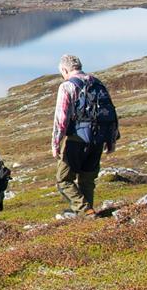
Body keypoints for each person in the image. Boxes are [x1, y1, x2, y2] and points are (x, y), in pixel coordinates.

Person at [51, 53, 119, 218]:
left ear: (65, 69)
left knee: (64, 179)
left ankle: (85, 211)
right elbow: (111, 112)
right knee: (87, 179)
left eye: (62, 72)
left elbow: (61, 118)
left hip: (77, 139)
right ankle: (87, 213)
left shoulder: (67, 86)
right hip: (98, 139)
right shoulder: (97, 83)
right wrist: (111, 141)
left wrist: (56, 143)